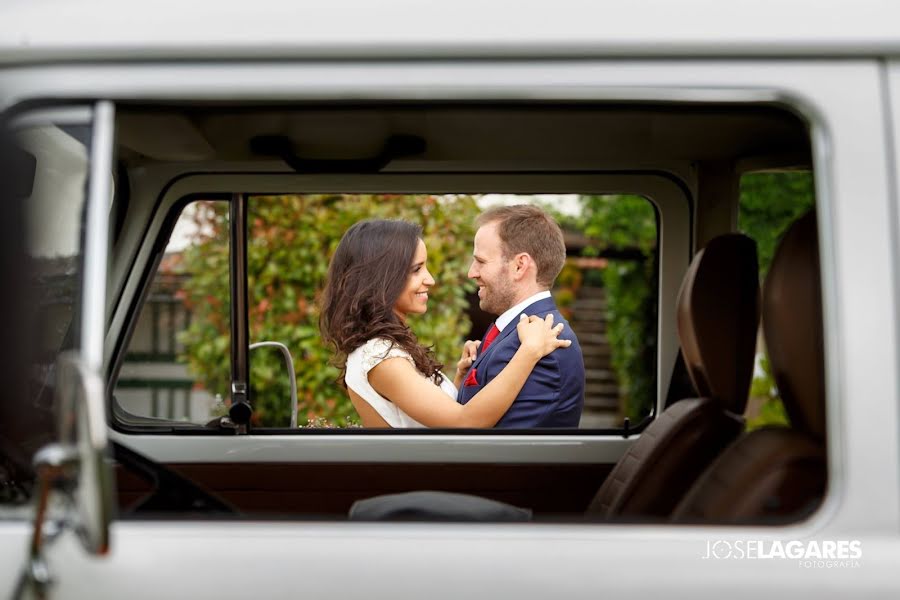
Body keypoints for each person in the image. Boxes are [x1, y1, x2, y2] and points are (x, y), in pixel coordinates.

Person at [319, 219, 571, 428]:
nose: (430, 279)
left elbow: (425, 422)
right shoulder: (380, 358)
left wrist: (459, 379)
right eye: (416, 270)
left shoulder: (387, 350)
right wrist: (528, 352)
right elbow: (465, 424)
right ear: (381, 278)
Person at [458, 204, 585, 427]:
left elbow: (501, 451)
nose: (471, 273)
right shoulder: (513, 329)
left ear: (519, 266)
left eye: (481, 261)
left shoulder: (546, 345)